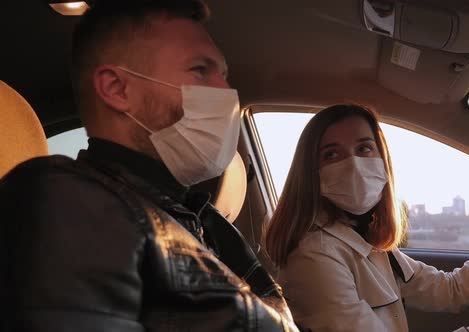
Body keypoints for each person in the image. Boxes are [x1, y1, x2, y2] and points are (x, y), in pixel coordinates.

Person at [0, 1, 297, 331]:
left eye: (223, 75)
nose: (226, 91)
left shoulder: (205, 220)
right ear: (117, 89)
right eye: (200, 70)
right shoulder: (60, 202)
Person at [264, 104, 469, 332]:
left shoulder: (365, 241)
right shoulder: (314, 255)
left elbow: (451, 290)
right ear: (310, 173)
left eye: (364, 148)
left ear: (381, 160)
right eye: (331, 154)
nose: (353, 164)